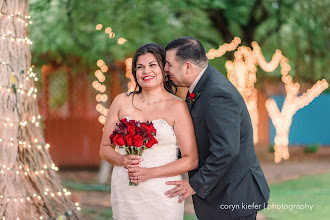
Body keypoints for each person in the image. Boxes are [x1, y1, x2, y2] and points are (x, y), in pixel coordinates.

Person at [164, 37, 270, 220]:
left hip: (232, 197)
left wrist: (195, 184)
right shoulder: (204, 86)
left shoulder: (217, 94)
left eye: (169, 64)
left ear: (188, 66)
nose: (165, 69)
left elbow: (226, 149)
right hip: (224, 196)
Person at [99, 43, 198, 220]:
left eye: (152, 65)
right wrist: (122, 159)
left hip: (163, 192)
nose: (146, 71)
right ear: (135, 73)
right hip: (125, 192)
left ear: (164, 69)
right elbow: (105, 148)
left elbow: (191, 159)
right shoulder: (121, 102)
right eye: (140, 67)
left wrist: (150, 173)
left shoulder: (177, 107)